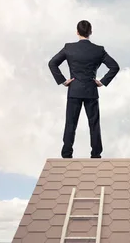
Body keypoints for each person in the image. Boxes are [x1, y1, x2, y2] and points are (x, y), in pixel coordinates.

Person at [48, 20, 120, 158]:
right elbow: (114, 66)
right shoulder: (98, 50)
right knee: (94, 124)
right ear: (90, 32)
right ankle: (96, 154)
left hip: (74, 90)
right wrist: (102, 82)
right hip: (91, 90)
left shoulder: (69, 48)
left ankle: (67, 154)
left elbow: (52, 63)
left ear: (77, 32)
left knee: (71, 124)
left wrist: (63, 80)